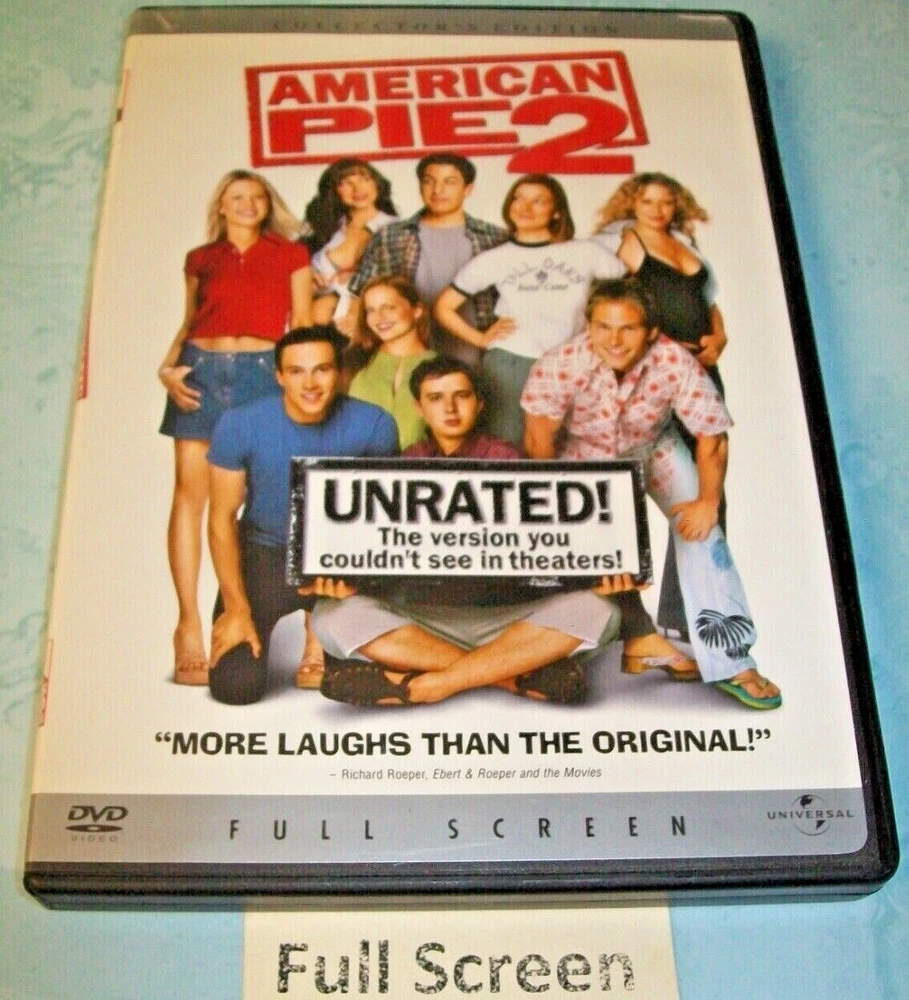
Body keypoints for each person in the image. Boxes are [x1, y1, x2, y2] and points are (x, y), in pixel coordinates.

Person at [312, 356, 644, 708]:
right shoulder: (400, 467)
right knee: (331, 614)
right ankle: (513, 677)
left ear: (479, 403)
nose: (450, 408)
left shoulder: (509, 460)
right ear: (419, 407)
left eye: (461, 396)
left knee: (600, 610)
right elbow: (384, 554)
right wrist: (352, 581)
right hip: (426, 620)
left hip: (510, 619)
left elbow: (549, 553)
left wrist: (597, 574)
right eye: (436, 398)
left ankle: (425, 684)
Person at [521, 278, 781, 710]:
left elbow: (712, 437)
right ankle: (624, 643)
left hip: (653, 448)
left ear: (652, 331)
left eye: (628, 328)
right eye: (603, 327)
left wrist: (707, 504)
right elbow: (539, 440)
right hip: (583, 458)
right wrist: (562, 513)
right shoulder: (560, 363)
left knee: (705, 536)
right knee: (583, 554)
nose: (614, 340)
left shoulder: (674, 361)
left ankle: (733, 660)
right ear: (588, 325)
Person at [158, 169, 312, 686]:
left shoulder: (290, 254)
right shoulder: (201, 258)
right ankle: (187, 624)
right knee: (190, 495)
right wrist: (167, 367)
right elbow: (190, 321)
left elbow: (304, 323)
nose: (247, 204)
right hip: (200, 371)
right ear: (221, 206)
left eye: (256, 196)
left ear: (268, 204)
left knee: (269, 495)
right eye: (236, 197)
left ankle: (278, 617)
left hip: (263, 373)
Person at [206, 326, 399, 705]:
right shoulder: (239, 423)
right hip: (265, 554)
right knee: (234, 687)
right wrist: (236, 609)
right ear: (279, 376)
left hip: (340, 558)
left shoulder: (374, 423)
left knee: (357, 685)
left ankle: (319, 630)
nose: (310, 384)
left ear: (339, 372)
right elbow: (221, 519)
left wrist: (356, 579)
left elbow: (382, 520)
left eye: (322, 369)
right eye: (297, 371)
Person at [593, 172, 727, 641]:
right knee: (658, 482)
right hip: (656, 372)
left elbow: (707, 300)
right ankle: (633, 617)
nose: (657, 209)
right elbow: (611, 306)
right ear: (632, 203)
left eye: (666, 201)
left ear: (677, 204)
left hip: (703, 368)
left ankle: (688, 614)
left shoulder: (686, 242)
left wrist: (718, 337)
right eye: (647, 201)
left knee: (708, 486)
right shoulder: (627, 244)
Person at [434, 173, 624, 447]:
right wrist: (481, 339)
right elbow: (443, 307)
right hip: (512, 364)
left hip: (574, 362)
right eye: (519, 199)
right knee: (509, 446)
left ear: (556, 212)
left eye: (538, 201)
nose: (525, 207)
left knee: (572, 447)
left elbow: (630, 295)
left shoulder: (586, 252)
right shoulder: (494, 258)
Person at [346, 152, 508, 364]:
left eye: (449, 182)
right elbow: (359, 296)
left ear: (468, 189)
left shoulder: (494, 238)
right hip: (407, 361)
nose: (437, 190)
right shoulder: (390, 236)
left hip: (480, 360)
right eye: (429, 181)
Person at [302, 158, 397, 330]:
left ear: (377, 183)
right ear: (334, 190)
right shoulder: (325, 230)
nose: (357, 188)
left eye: (365, 179)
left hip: (373, 324)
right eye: (346, 183)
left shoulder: (398, 229)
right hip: (320, 329)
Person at [344, 275, 437, 450]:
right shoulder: (353, 362)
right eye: (371, 310)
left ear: (417, 310)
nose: (379, 317)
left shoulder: (442, 367)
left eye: (389, 307)